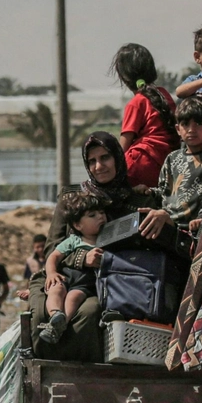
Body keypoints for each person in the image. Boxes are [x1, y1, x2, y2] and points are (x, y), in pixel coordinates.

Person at [28, 131, 159, 362]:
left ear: (118, 158)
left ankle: (87, 378)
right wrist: (80, 259)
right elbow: (52, 247)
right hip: (64, 273)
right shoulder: (72, 197)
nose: (99, 166)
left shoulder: (138, 199)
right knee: (40, 312)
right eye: (92, 161)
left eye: (105, 157)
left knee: (88, 315)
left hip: (108, 281)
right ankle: (47, 372)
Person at [138, 96, 202, 239]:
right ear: (178, 129)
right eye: (185, 124)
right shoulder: (172, 158)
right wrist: (148, 191)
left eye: (198, 124)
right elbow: (165, 194)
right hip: (166, 221)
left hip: (192, 228)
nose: (191, 129)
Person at [40, 193, 105, 344]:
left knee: (73, 298)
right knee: (56, 290)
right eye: (92, 215)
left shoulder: (106, 240)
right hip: (64, 277)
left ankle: (60, 325)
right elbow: (53, 256)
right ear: (77, 225)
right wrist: (51, 273)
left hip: (85, 284)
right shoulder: (74, 240)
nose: (100, 217)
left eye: (102, 212)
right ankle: (56, 315)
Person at [112, 43, 179, 190]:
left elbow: (123, 145)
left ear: (124, 77)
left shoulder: (136, 103)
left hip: (140, 165)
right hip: (168, 165)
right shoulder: (164, 94)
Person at [15, 234, 47, 301]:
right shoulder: (30, 261)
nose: (41, 249)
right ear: (34, 247)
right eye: (38, 247)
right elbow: (29, 280)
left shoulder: (52, 258)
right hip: (36, 290)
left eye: (43, 246)